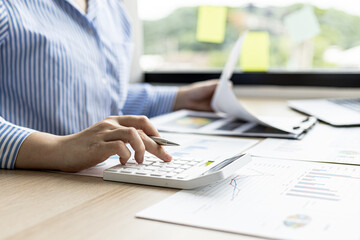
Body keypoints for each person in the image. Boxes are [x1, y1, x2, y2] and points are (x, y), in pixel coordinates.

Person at [0, 0, 218, 172]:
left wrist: (180, 98)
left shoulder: (114, 9)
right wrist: (60, 149)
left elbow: (96, 93)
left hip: (99, 177)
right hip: (32, 186)